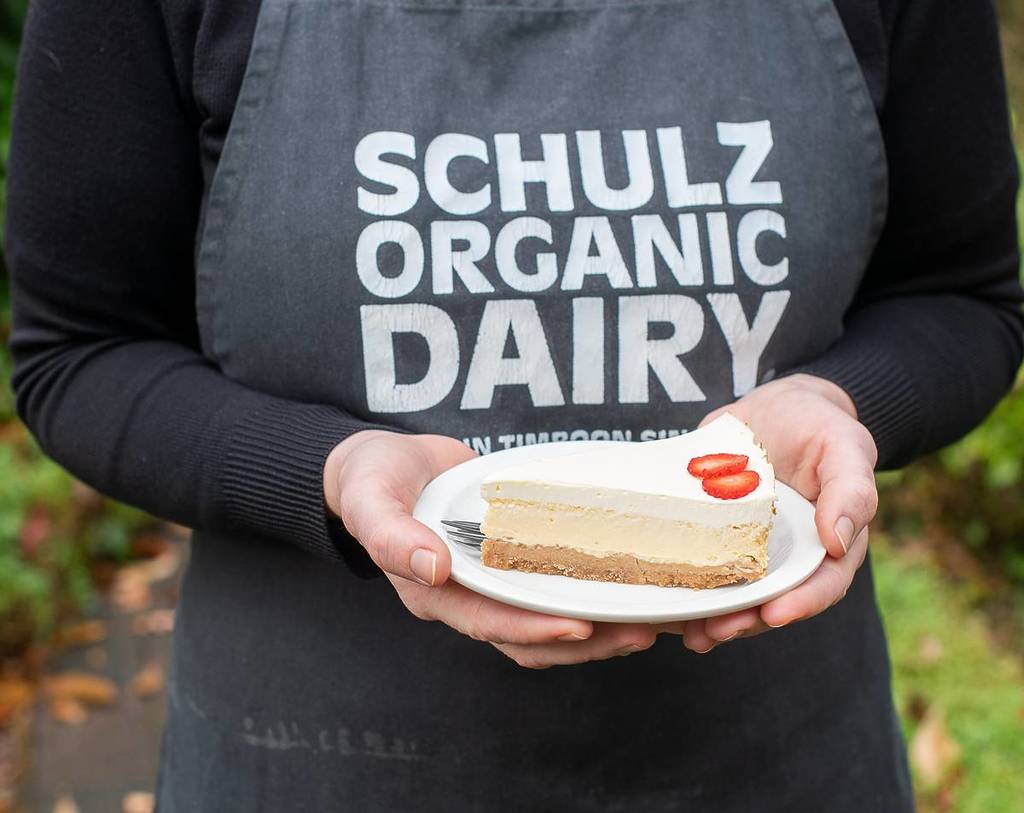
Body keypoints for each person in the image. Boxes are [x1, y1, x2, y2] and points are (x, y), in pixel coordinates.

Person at [6, 0, 1023, 809]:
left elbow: (962, 295)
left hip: (777, 756)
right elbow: (80, 352)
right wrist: (325, 470)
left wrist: (839, 399)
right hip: (321, 756)